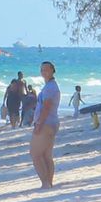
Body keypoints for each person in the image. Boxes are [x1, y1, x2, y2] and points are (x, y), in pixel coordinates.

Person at [28, 60, 62, 189]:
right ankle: (48, 182)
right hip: (51, 122)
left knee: (35, 154)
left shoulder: (50, 87)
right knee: (46, 154)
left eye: (47, 69)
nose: (44, 72)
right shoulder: (50, 86)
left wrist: (39, 124)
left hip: (47, 123)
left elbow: (46, 107)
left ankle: (45, 183)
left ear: (53, 70)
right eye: (42, 69)